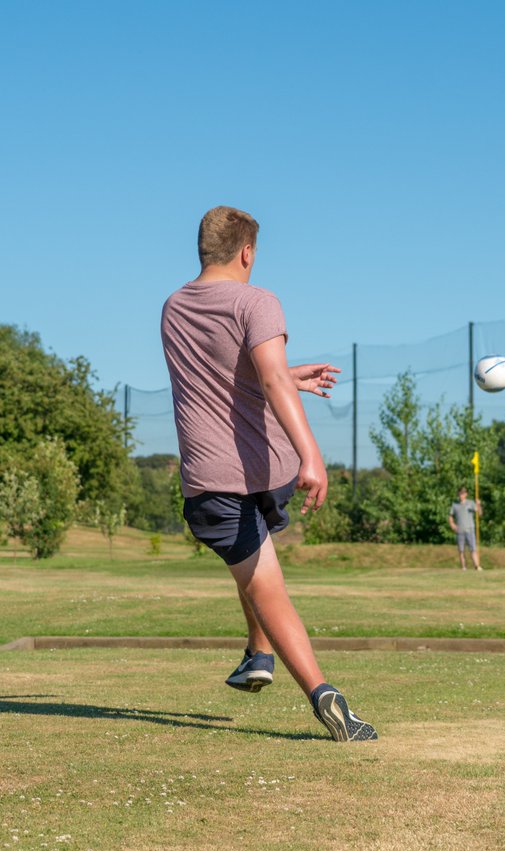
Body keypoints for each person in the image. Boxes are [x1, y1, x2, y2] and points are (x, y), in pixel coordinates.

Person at [161, 205, 376, 742]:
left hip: (211, 482)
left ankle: (259, 651)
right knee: (265, 583)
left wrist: (285, 374)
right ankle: (327, 699)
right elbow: (270, 380)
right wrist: (312, 454)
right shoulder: (258, 301)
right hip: (264, 472)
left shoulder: (174, 307)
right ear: (247, 252)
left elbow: (233, 373)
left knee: (252, 570)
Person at [448, 487, 481, 571]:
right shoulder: (455, 505)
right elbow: (450, 516)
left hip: (470, 529)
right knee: (461, 550)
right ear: (458, 494)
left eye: (463, 493)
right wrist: (452, 524)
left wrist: (478, 504)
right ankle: (463, 567)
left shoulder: (471, 503)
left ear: (466, 494)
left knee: (473, 549)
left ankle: (477, 566)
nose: (461, 495)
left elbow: (479, 513)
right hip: (460, 530)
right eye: (460, 493)